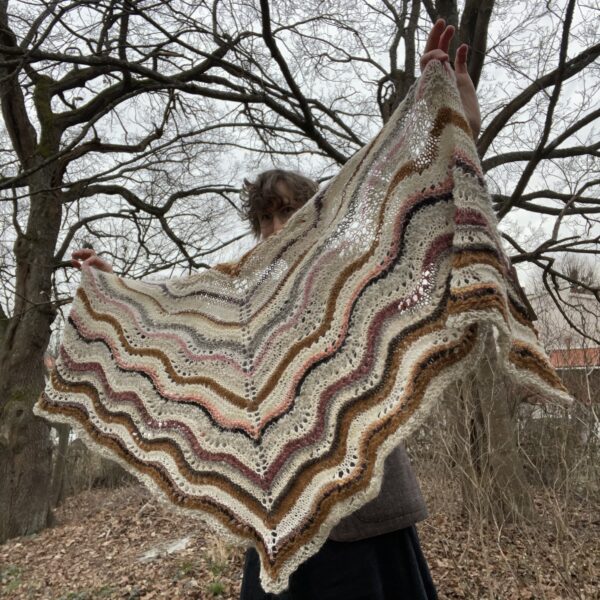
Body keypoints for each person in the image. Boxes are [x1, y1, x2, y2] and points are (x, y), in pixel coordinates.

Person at [72, 19, 481, 600]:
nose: (275, 227)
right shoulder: (230, 298)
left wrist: (460, 124)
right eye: (264, 218)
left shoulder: (351, 270)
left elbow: (424, 222)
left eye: (288, 211)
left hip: (366, 513)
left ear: (314, 212)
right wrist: (111, 291)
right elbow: (162, 316)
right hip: (277, 531)